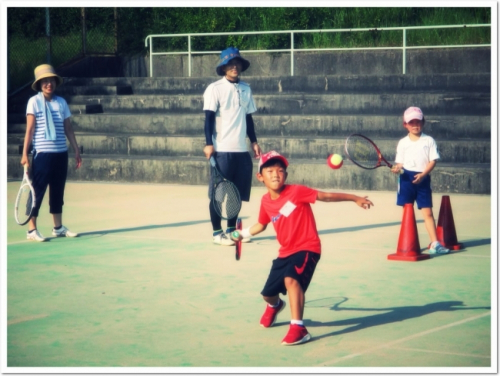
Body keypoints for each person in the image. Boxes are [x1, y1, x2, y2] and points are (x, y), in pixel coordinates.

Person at [231, 151, 374, 345]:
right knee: (267, 294)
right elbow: (261, 225)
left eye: (280, 170)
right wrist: (241, 234)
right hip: (285, 252)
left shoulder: (296, 191)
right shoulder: (265, 201)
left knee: (292, 279)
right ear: (260, 177)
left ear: (286, 176)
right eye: (270, 170)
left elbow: (326, 196)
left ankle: (298, 328)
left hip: (308, 247)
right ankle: (275, 306)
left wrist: (354, 198)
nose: (275, 174)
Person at [203, 47, 262, 246]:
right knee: (218, 195)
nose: (234, 67)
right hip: (221, 150)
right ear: (223, 67)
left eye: (237, 63)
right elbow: (208, 118)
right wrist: (209, 144)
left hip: (241, 151)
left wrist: (253, 141)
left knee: (236, 195)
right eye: (230, 63)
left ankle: (231, 230)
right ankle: (217, 233)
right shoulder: (215, 88)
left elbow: (249, 118)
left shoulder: (246, 88)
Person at [21, 64, 82, 242]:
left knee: (57, 190)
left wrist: (76, 149)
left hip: (60, 153)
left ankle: (58, 227)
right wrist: (25, 154)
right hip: (42, 154)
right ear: (40, 84)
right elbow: (30, 130)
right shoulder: (34, 102)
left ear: (55, 83)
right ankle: (32, 229)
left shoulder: (61, 102)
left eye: (51, 80)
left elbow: (68, 128)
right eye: (45, 81)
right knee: (37, 190)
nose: (49, 84)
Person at [390, 106, 449, 254]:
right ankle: (408, 244)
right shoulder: (403, 142)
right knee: (407, 213)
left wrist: (423, 175)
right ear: (405, 124)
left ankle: (435, 244)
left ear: (423, 122)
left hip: (422, 179)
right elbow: (400, 163)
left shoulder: (429, 140)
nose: (415, 125)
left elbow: (433, 161)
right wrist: (397, 168)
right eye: (411, 122)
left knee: (427, 213)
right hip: (405, 179)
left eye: (418, 121)